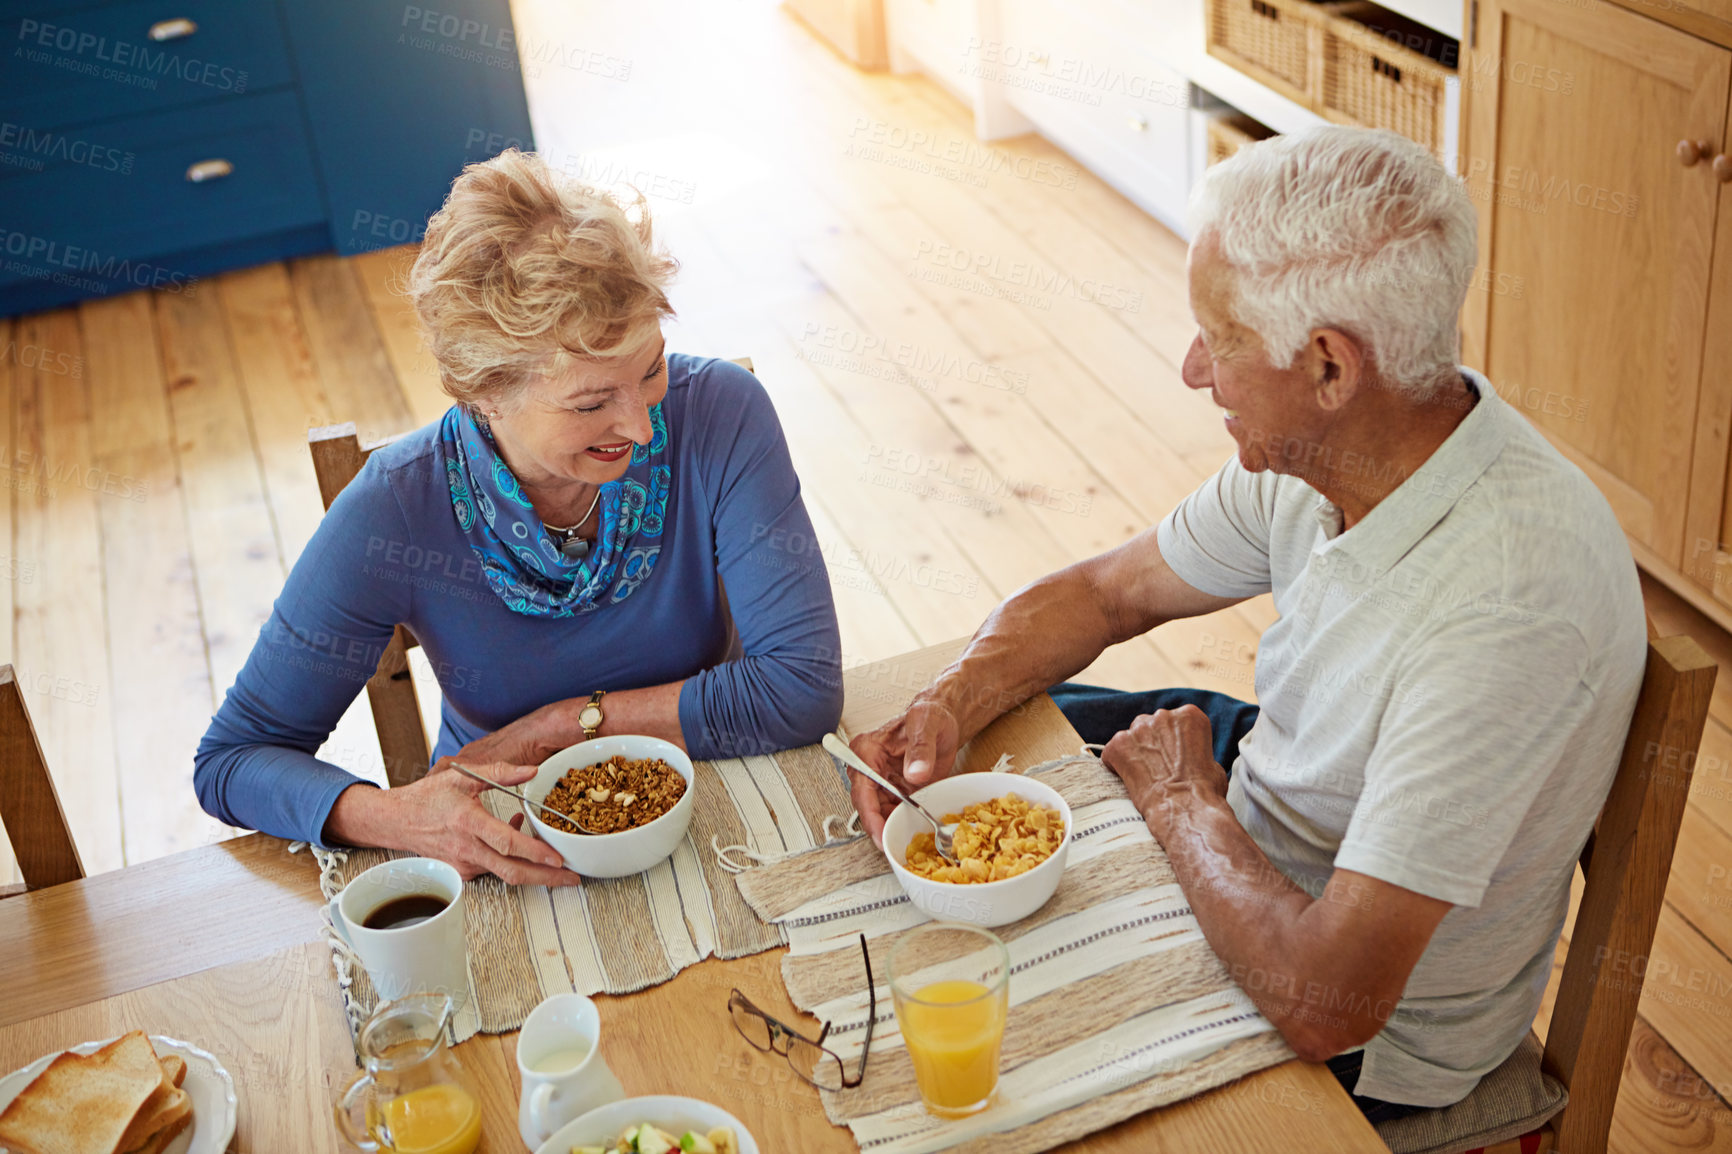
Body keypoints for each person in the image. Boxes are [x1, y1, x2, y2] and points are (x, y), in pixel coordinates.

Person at [846, 126, 1647, 1119]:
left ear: (1328, 366)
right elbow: (1106, 592)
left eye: (1217, 340)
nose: (1192, 369)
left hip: (1366, 1028)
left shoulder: (1509, 610)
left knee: (1013, 1062)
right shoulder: (1337, 450)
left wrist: (1183, 803)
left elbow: (1329, 1003)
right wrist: (949, 698)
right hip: (1274, 793)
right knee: (1005, 721)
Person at [196, 150, 843, 886]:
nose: (639, 427)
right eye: (591, 403)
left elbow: (801, 690)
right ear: (485, 395)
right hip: (502, 846)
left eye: (651, 369)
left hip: (713, 814)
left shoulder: (722, 412)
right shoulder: (395, 508)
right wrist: (395, 813)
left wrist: (557, 728)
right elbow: (233, 761)